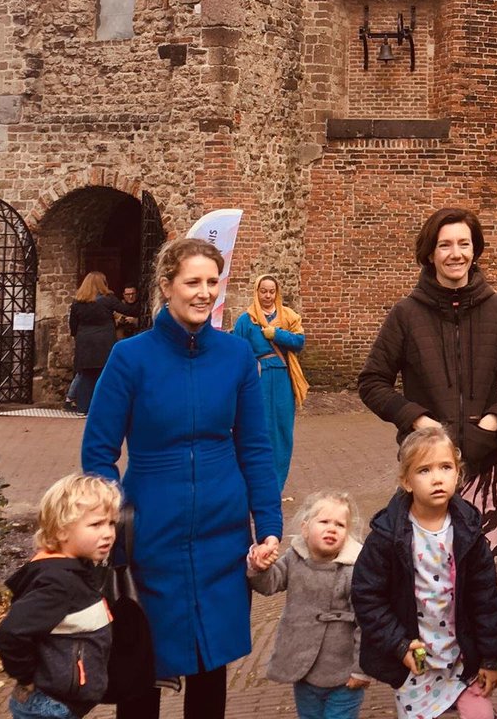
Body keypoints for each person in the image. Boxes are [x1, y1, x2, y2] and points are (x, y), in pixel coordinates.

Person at [81, 236, 283, 719]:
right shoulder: (129, 358)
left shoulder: (236, 357)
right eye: (192, 281)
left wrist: (268, 522)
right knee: (141, 664)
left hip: (222, 531)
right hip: (151, 532)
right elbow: (98, 455)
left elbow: (255, 448)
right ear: (166, 286)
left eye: (213, 282)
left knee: (211, 664)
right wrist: (110, 528)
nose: (204, 292)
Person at [357, 207, 497, 550]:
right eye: (445, 245)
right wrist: (419, 420)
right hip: (427, 467)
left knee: (479, 576)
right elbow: (372, 381)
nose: (456, 254)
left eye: (464, 244)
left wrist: (494, 421)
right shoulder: (406, 314)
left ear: (475, 250)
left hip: (485, 467)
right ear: (430, 253)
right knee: (424, 573)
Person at [351, 425, 497, 719]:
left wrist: (490, 658)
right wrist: (398, 643)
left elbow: (485, 599)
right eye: (424, 470)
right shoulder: (387, 535)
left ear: (457, 475)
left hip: (463, 659)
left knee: (482, 715)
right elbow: (366, 596)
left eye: (445, 467)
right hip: (415, 661)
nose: (437, 478)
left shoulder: (469, 531)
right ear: (406, 481)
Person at [0, 473, 121, 719]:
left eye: (111, 523)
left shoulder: (78, 570)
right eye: (96, 525)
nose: (107, 533)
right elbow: (10, 633)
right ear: (62, 532)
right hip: (49, 707)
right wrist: (28, 677)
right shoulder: (58, 583)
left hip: (59, 704)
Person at [248, 489, 371, 719]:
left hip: (343, 676)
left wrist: (361, 670)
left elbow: (366, 623)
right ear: (305, 528)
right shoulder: (295, 557)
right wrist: (260, 568)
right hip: (304, 671)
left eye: (340, 525)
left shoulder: (354, 569)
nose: (331, 528)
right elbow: (270, 584)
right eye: (324, 521)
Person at [233, 274, 309, 491]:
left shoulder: (287, 316)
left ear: (277, 293)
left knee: (283, 429)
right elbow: (238, 351)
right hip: (258, 379)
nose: (267, 295)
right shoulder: (246, 320)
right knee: (260, 428)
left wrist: (277, 334)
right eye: (263, 291)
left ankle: (276, 483)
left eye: (271, 291)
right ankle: (255, 480)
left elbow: (299, 342)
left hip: (283, 377)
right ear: (256, 292)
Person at [65, 271, 140, 414]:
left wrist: (79, 336)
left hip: (84, 341)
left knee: (86, 375)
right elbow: (128, 310)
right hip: (104, 341)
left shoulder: (77, 303)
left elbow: (73, 325)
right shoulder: (108, 299)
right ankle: (105, 407)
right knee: (105, 373)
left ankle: (83, 408)